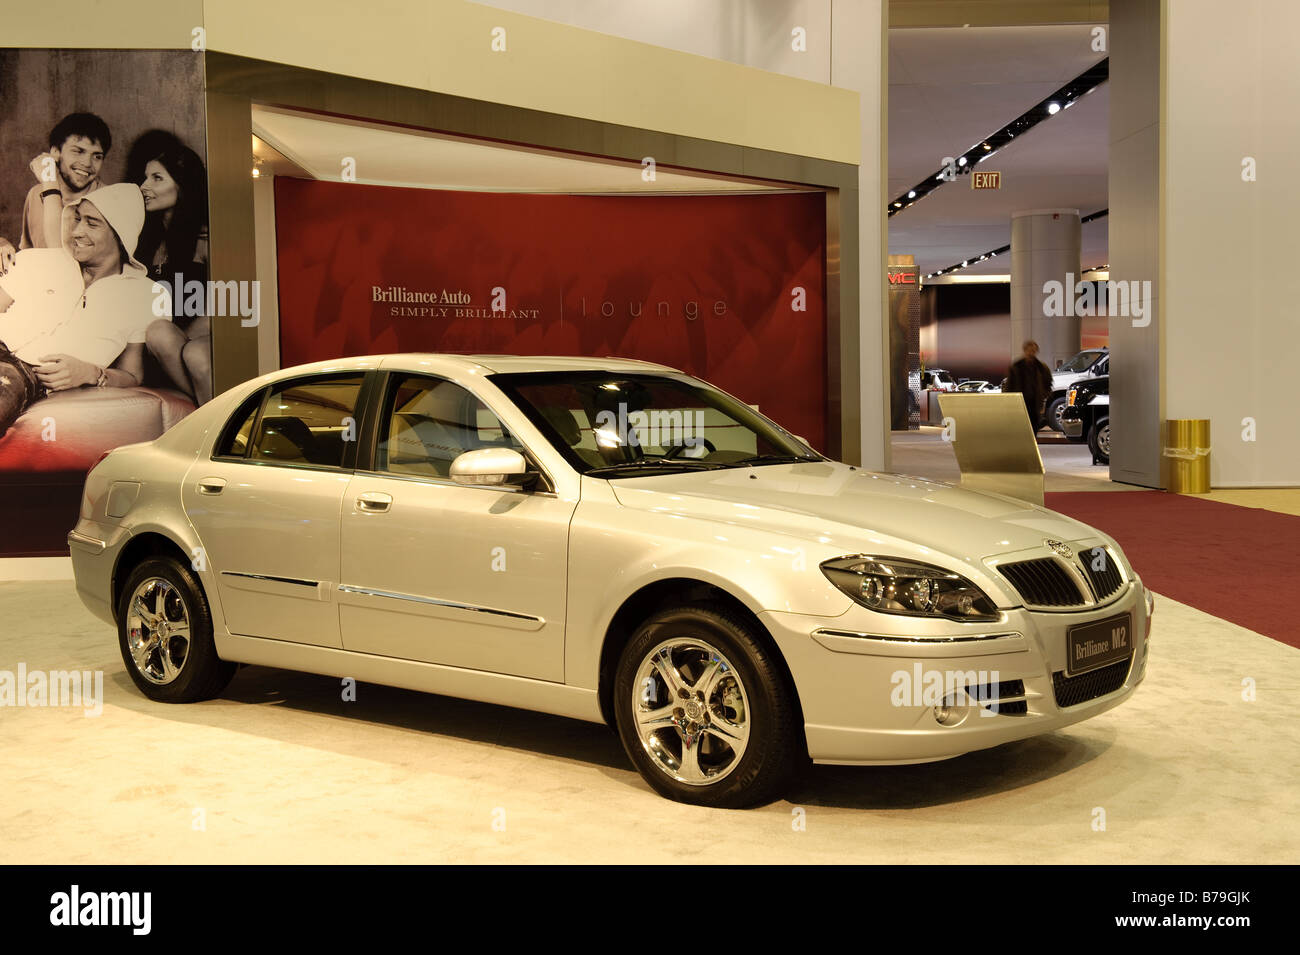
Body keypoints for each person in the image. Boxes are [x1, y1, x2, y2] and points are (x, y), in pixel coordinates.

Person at [0, 183, 168, 438]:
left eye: (92, 223)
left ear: (119, 234)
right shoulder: (42, 261)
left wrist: (90, 373)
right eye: (77, 219)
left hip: (26, 374)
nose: (76, 231)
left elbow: (133, 374)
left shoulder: (146, 295)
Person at [134, 137, 211, 404]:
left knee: (190, 350)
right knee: (159, 332)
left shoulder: (205, 238)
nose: (144, 186)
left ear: (182, 185)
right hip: (153, 350)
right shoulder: (145, 239)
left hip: (191, 344)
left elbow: (228, 306)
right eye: (145, 178)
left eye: (157, 178)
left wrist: (180, 343)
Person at [0, 113, 112, 272]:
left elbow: (62, 259)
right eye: (78, 151)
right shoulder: (36, 193)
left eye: (97, 156)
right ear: (55, 152)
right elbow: (30, 256)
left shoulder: (108, 201)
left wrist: (50, 183)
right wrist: (3, 244)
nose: (87, 163)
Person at [1004, 339, 1054, 431]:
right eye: (1029, 350)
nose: (1031, 353)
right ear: (1025, 350)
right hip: (1020, 402)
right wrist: (1009, 400)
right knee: (1021, 427)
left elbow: (1048, 383)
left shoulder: (1041, 367)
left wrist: (1044, 395)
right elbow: (1009, 385)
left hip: (1035, 402)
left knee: (1034, 427)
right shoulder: (1016, 366)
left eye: (1034, 351)